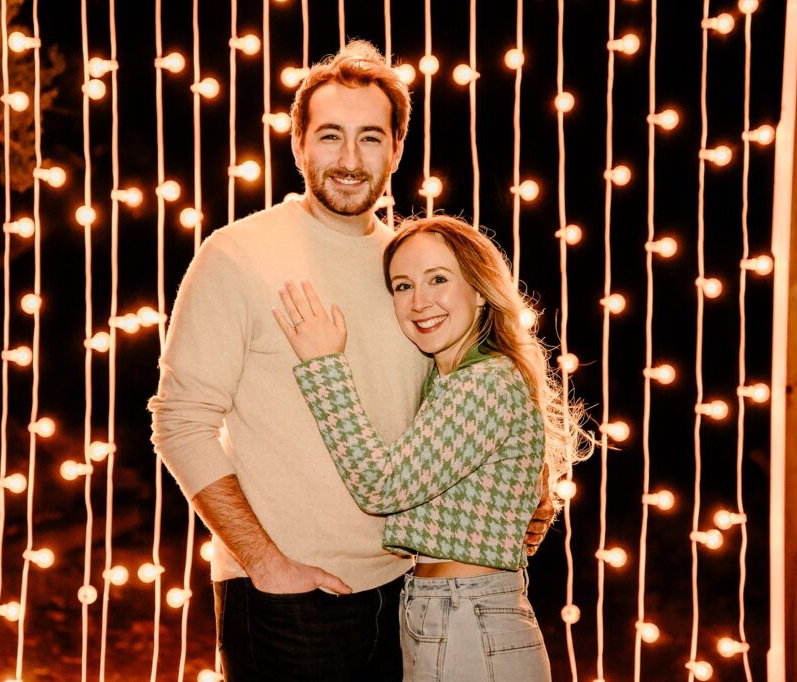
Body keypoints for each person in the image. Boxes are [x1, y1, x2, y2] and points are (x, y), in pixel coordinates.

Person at [149, 41, 553, 681]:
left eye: (370, 138)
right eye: (330, 135)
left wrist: (527, 482)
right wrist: (265, 563)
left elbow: (465, 391)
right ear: (298, 144)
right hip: (288, 598)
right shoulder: (237, 254)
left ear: (396, 149)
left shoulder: (411, 268)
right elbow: (180, 422)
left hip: (410, 594)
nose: (349, 159)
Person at [273, 215, 589, 681]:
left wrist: (324, 365)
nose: (419, 302)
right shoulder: (453, 381)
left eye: (438, 279)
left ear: (480, 290)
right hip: (453, 611)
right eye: (403, 286)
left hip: (468, 617)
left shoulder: (483, 383)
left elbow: (381, 486)